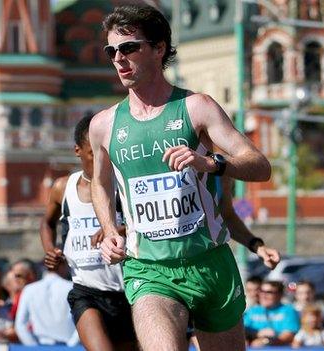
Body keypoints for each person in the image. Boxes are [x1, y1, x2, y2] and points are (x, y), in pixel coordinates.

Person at [91, 4, 272, 351]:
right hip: (149, 269)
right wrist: (110, 229)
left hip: (210, 264)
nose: (119, 58)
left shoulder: (196, 107)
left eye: (129, 47)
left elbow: (259, 165)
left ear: (159, 49)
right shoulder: (104, 125)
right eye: (111, 51)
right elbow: (100, 183)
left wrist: (212, 164)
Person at [40, 115, 136, 351]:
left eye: (106, 151)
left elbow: (143, 223)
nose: (102, 158)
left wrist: (115, 229)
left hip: (129, 291)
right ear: (78, 151)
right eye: (94, 152)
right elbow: (46, 223)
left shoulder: (123, 186)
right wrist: (50, 250)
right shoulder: (64, 188)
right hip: (87, 292)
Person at [14, 260, 79, 346]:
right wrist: (71, 346)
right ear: (63, 265)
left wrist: (33, 347)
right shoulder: (72, 288)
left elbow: (20, 324)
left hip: (41, 345)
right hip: (68, 345)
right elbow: (83, 321)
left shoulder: (29, 289)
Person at [244, 280, 300, 346]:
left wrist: (266, 342)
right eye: (261, 291)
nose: (263, 295)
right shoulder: (252, 311)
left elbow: (289, 335)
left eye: (269, 292)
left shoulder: (288, 310)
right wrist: (257, 334)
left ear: (280, 295)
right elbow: (243, 330)